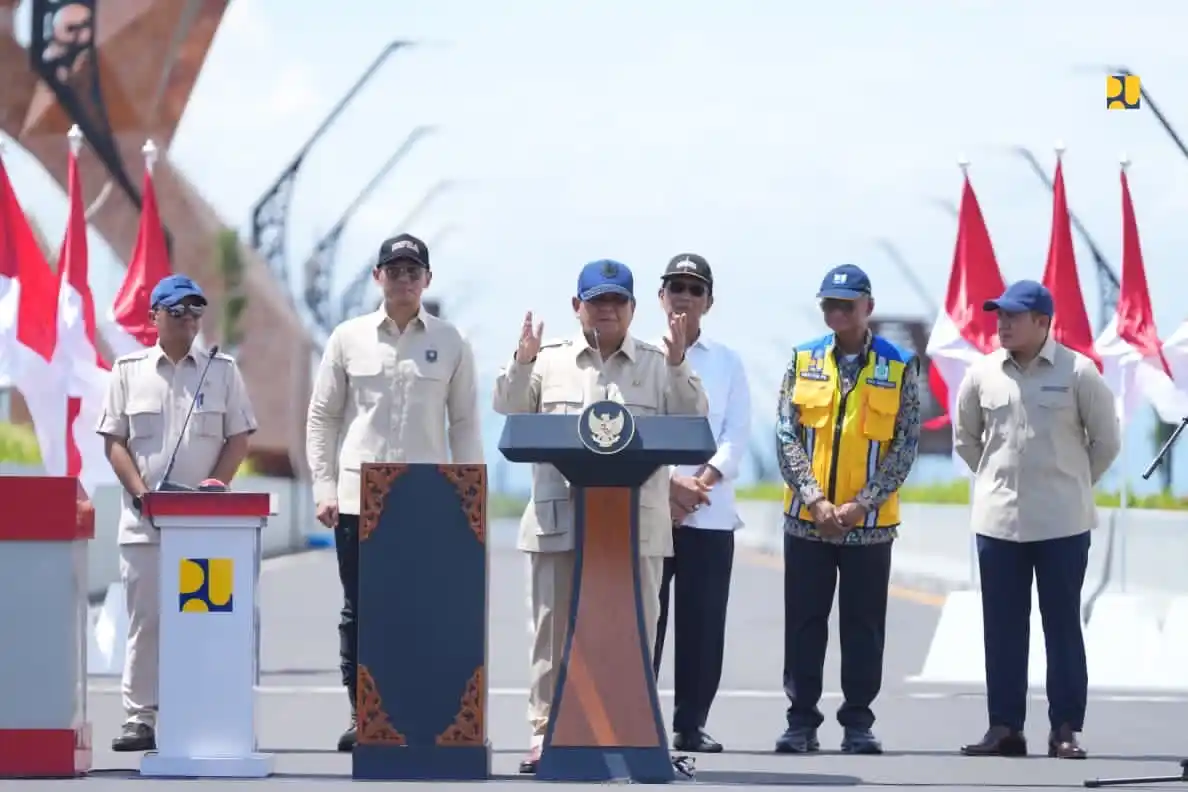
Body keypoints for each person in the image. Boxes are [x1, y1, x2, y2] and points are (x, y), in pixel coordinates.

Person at [492, 258, 709, 774]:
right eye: (596, 300)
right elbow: (507, 406)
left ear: (633, 309)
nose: (606, 309)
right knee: (551, 631)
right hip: (560, 522)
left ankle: (633, 730)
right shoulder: (548, 360)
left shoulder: (660, 362)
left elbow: (693, 419)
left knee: (639, 631)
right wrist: (521, 362)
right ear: (577, 307)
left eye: (616, 301)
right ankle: (545, 732)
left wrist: (680, 363)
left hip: (637, 527)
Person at [306, 232, 484, 752]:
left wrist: (468, 494)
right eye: (394, 270)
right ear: (377, 277)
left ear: (427, 279)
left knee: (420, 608)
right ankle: (363, 714)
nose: (404, 279)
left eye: (413, 271)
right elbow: (324, 416)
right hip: (359, 499)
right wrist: (323, 485)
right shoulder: (347, 337)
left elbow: (466, 423)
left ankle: (413, 706)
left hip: (426, 502)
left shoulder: (451, 341)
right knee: (360, 610)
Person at [955, 280, 1120, 760]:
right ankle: (1004, 727)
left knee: (1062, 626)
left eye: (1013, 316)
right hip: (998, 523)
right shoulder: (982, 373)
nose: (1001, 323)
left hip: (1062, 524)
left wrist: (1068, 482)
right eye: (998, 315)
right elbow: (967, 438)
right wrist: (994, 481)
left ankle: (1065, 728)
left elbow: (1106, 443)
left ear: (1043, 322)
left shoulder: (1079, 372)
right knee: (1002, 628)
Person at [96, 274, 258, 752]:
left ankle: (201, 708)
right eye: (177, 311)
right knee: (147, 620)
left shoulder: (221, 370)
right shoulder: (127, 370)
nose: (187, 319)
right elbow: (115, 442)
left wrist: (216, 487)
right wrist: (142, 494)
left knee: (205, 619)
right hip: (145, 523)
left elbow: (239, 438)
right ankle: (139, 717)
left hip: (206, 527)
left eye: (194, 311)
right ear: (154, 318)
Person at [773, 263, 921, 755]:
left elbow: (905, 443)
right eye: (829, 305)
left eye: (847, 305)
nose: (837, 313)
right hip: (807, 521)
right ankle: (801, 721)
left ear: (868, 308)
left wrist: (862, 504)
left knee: (863, 626)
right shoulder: (803, 358)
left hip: (870, 526)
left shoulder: (898, 364)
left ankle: (858, 721)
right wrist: (815, 498)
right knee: (804, 624)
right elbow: (785, 433)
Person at [651, 253, 751, 753]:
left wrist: (699, 484)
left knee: (703, 625)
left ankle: (690, 723)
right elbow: (632, 431)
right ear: (660, 296)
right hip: (652, 510)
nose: (684, 297)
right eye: (676, 287)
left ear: (709, 300)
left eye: (694, 289)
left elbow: (735, 436)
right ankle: (639, 717)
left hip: (709, 514)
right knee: (647, 619)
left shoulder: (728, 362)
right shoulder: (640, 355)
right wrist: (670, 486)